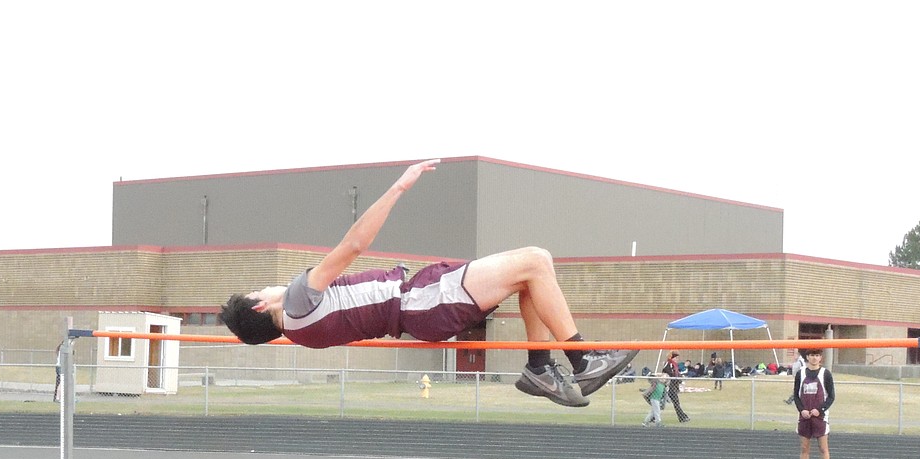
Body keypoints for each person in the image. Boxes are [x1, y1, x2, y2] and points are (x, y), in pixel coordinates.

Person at [220, 159, 636, 408]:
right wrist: (399, 187)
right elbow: (353, 245)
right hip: (421, 300)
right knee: (536, 260)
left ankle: (540, 367)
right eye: (260, 291)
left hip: (421, 306)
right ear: (261, 307)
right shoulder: (295, 300)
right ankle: (583, 362)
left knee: (530, 278)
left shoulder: (299, 333)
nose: (268, 287)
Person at [793, 349, 835, 459]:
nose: (814, 358)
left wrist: (820, 409)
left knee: (823, 448)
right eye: (812, 355)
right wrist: (802, 410)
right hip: (805, 416)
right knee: (804, 448)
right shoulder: (801, 373)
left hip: (820, 417)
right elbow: (796, 395)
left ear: (820, 357)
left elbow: (831, 397)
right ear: (808, 357)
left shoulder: (825, 374)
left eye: (817, 355)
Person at [660, 351, 691, 423]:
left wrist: (680, 378)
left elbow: (676, 374)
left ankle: (683, 416)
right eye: (676, 357)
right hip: (669, 387)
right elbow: (671, 374)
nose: (677, 359)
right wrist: (679, 380)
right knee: (675, 402)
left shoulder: (674, 365)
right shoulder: (669, 364)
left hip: (673, 386)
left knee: (663, 403)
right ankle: (682, 417)